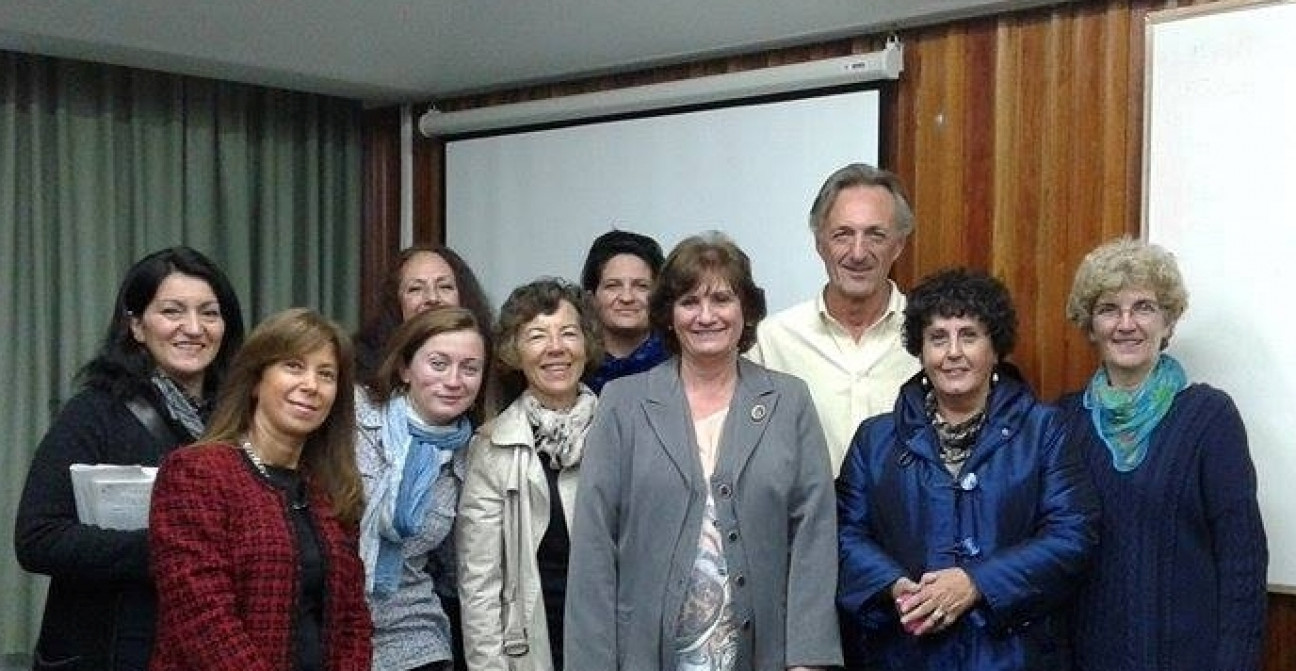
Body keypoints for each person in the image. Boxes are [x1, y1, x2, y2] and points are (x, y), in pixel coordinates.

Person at [566, 232, 841, 671]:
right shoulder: (623, 402)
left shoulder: (789, 401)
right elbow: (594, 547)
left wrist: (809, 658)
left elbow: (814, 536)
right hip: (643, 653)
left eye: (722, 299)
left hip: (764, 651)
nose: (706, 316)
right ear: (668, 316)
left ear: (746, 310)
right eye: (689, 302)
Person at [836, 268, 1098, 670]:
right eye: (938, 337)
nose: (953, 352)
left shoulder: (1044, 430)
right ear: (920, 351)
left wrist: (978, 583)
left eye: (969, 335)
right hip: (905, 654)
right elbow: (842, 534)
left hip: (1013, 655)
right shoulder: (875, 440)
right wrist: (894, 586)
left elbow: (1073, 534)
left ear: (995, 348)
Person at [14, 246, 245, 670]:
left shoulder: (245, 420)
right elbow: (37, 539)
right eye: (172, 311)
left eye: (209, 313)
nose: (193, 328)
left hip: (210, 650)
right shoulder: (95, 412)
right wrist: (167, 549)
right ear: (137, 326)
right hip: (110, 649)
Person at [1060, 238, 1267, 670]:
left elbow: (1242, 558)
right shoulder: (1061, 423)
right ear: (1089, 324)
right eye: (1109, 309)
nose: (1126, 323)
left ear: (1168, 321)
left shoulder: (1210, 418)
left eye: (1144, 307)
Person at [148, 308, 372, 670]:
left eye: (326, 374)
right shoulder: (196, 473)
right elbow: (203, 619)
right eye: (294, 367)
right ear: (256, 381)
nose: (311, 385)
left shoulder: (330, 490)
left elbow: (353, 621)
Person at [456, 278, 602, 671]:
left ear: (587, 344)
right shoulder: (492, 446)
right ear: (514, 352)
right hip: (528, 648)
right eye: (537, 336)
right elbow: (479, 581)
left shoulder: (621, 431)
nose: (556, 348)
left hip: (608, 641)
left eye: (569, 333)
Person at [748, 163, 920, 474]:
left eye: (875, 235)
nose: (858, 252)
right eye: (842, 235)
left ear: (898, 246)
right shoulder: (772, 340)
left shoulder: (931, 338)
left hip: (906, 521)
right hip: (804, 520)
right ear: (819, 244)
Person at [357, 307, 490, 671]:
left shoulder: (474, 454)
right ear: (404, 368)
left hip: (409, 627)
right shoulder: (351, 417)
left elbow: (458, 566)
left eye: (470, 368)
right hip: (327, 617)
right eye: (438, 363)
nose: (454, 380)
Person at [356, 244, 494, 386]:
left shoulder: (492, 358)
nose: (432, 298)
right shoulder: (364, 361)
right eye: (415, 289)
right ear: (396, 303)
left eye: (445, 286)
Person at [578, 229, 669, 392]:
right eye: (613, 286)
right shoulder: (574, 367)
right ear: (591, 298)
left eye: (641, 286)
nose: (627, 298)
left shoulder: (680, 364)